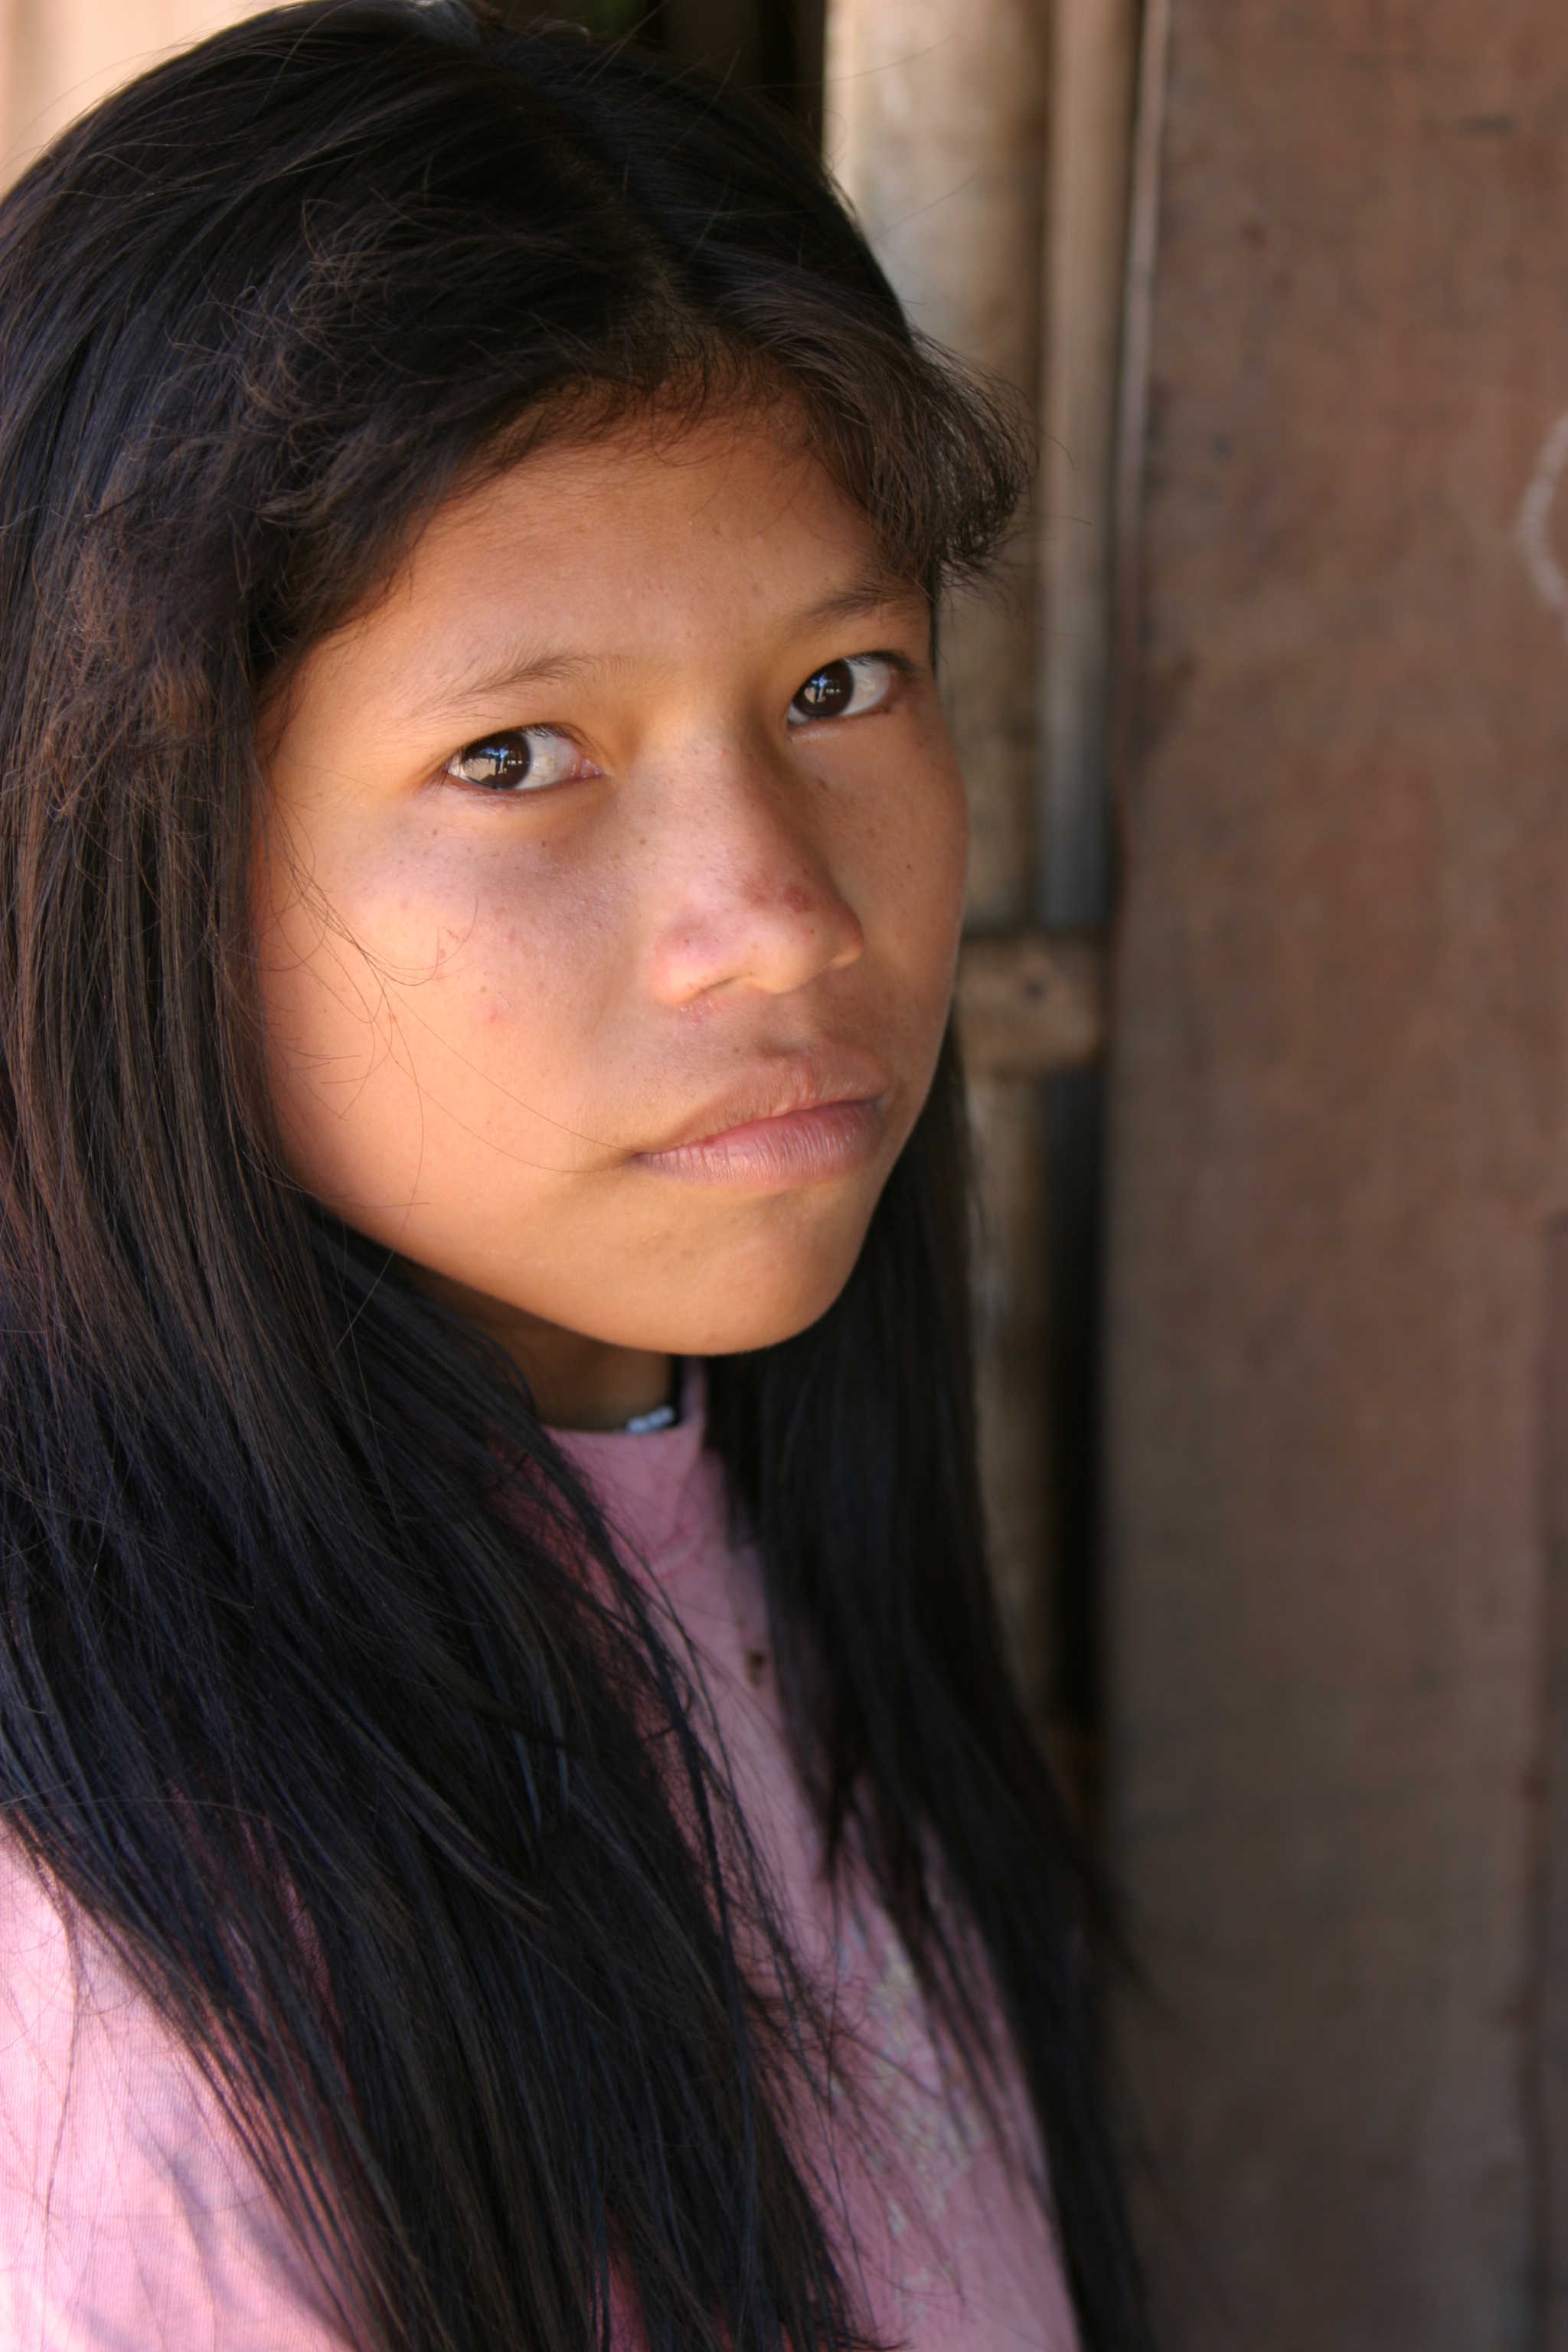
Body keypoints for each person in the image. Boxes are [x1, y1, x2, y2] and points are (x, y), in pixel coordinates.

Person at [0, 6, 1148, 2347]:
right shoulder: (106, 2002)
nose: (783, 922)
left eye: (840, 687)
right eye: (518, 755)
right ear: (126, 854)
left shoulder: (772, 1559)